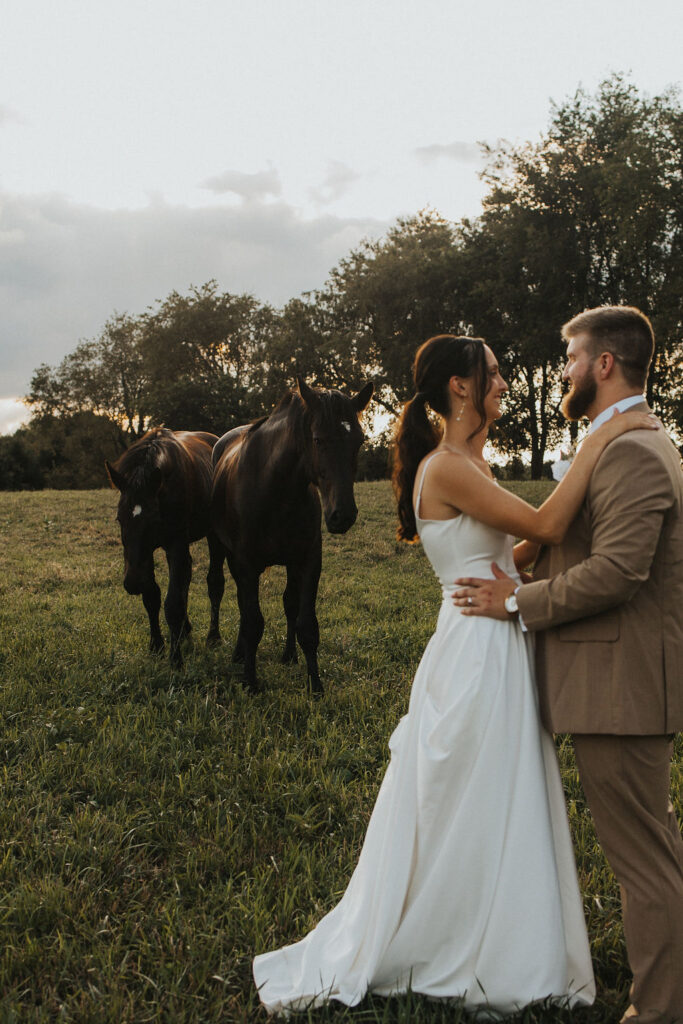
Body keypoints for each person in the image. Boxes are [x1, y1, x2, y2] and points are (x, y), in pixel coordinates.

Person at [253, 333, 657, 1016]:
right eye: (493, 374)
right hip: (474, 648)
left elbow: (509, 548)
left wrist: (515, 571)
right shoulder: (444, 466)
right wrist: (605, 435)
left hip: (495, 633)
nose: (503, 383)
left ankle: (501, 933)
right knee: (471, 788)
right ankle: (461, 940)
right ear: (459, 388)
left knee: (497, 787)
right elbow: (550, 523)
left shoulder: (472, 461)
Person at [452, 307, 683, 1024]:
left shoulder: (635, 452)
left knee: (643, 860)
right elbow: (573, 542)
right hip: (616, 684)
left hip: (623, 688)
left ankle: (660, 1009)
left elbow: (617, 572)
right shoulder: (619, 443)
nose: (562, 372)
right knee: (652, 847)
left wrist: (515, 603)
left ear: (603, 365)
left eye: (569, 358)